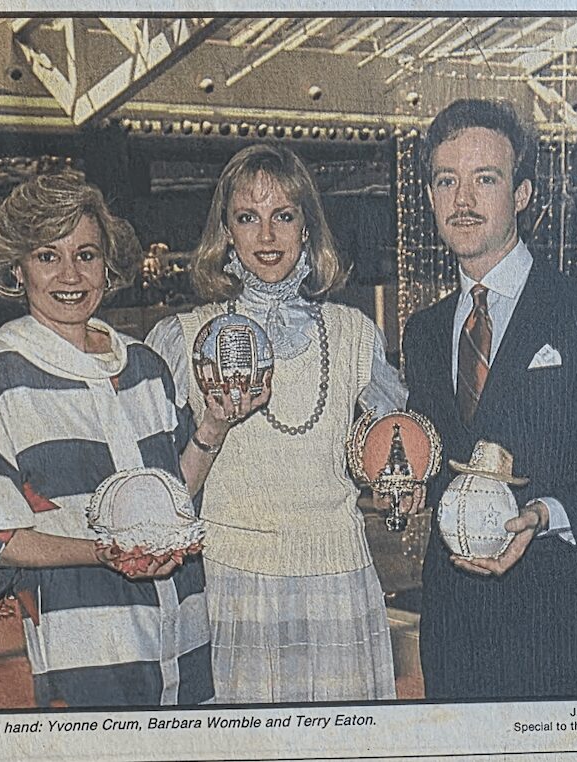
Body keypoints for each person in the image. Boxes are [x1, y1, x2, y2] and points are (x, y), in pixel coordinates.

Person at [402, 99, 577, 699]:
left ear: (521, 193)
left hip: (555, 634)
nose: (462, 200)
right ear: (431, 196)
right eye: (447, 181)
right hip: (452, 634)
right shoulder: (423, 331)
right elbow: (433, 458)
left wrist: (544, 515)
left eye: (484, 179)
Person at [0, 170, 217, 707]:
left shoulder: (145, 364)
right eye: (48, 255)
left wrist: (214, 427)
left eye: (86, 254)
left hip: (187, 634)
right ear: (17, 266)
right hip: (84, 647)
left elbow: (173, 498)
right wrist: (108, 553)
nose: (70, 274)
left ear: (107, 265)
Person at [146, 144, 403, 703]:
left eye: (283, 216)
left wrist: (394, 476)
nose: (266, 236)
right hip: (233, 581)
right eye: (248, 217)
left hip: (337, 578)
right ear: (226, 232)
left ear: (307, 228)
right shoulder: (184, 338)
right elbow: (155, 490)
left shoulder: (356, 333)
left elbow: (397, 447)